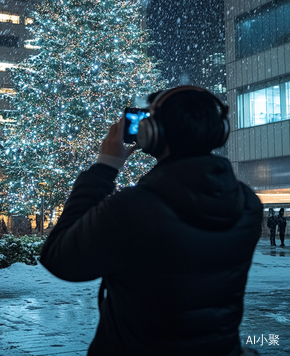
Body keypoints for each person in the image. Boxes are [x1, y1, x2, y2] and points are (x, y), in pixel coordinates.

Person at [40, 86, 263, 356]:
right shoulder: (248, 204)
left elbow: (59, 258)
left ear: (152, 134)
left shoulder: (132, 209)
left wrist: (104, 168)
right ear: (220, 131)